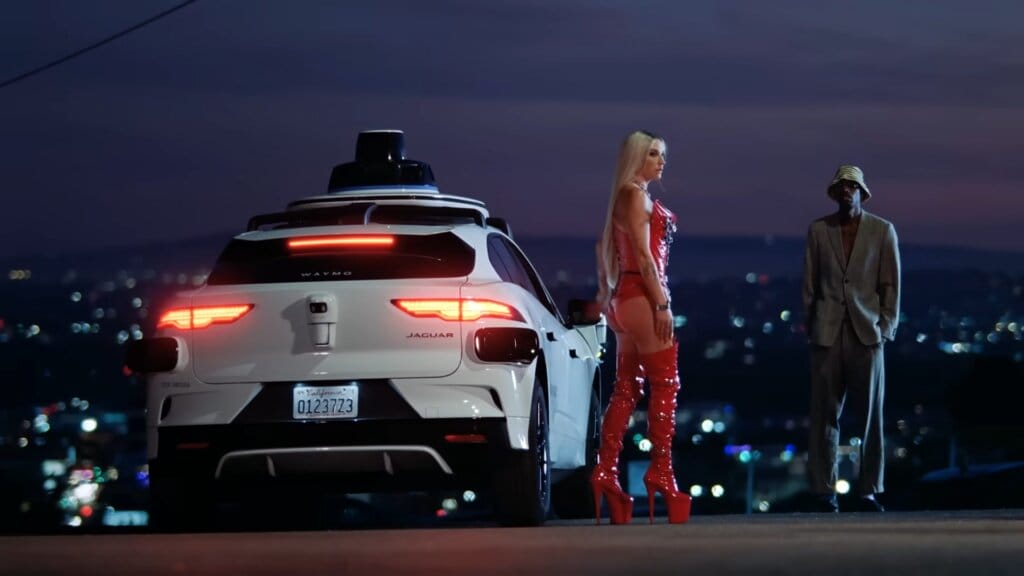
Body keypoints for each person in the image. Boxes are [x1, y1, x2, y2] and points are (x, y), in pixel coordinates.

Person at [590, 130, 691, 525]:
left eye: (663, 154)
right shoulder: (634, 195)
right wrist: (662, 304)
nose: (661, 161)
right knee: (665, 384)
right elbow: (647, 260)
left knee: (628, 388)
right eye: (653, 154)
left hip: (623, 299)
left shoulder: (626, 196)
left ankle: (606, 472)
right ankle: (661, 472)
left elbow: (609, 252)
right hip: (641, 297)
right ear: (636, 158)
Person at [802, 165, 901, 513]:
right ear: (834, 193)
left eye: (852, 186)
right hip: (827, 333)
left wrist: (885, 328)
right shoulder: (818, 230)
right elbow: (809, 284)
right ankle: (823, 490)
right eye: (841, 186)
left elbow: (891, 285)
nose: (846, 191)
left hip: (867, 334)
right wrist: (810, 326)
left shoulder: (882, 231)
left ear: (863, 191)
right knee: (823, 415)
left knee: (871, 416)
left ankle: (868, 490)